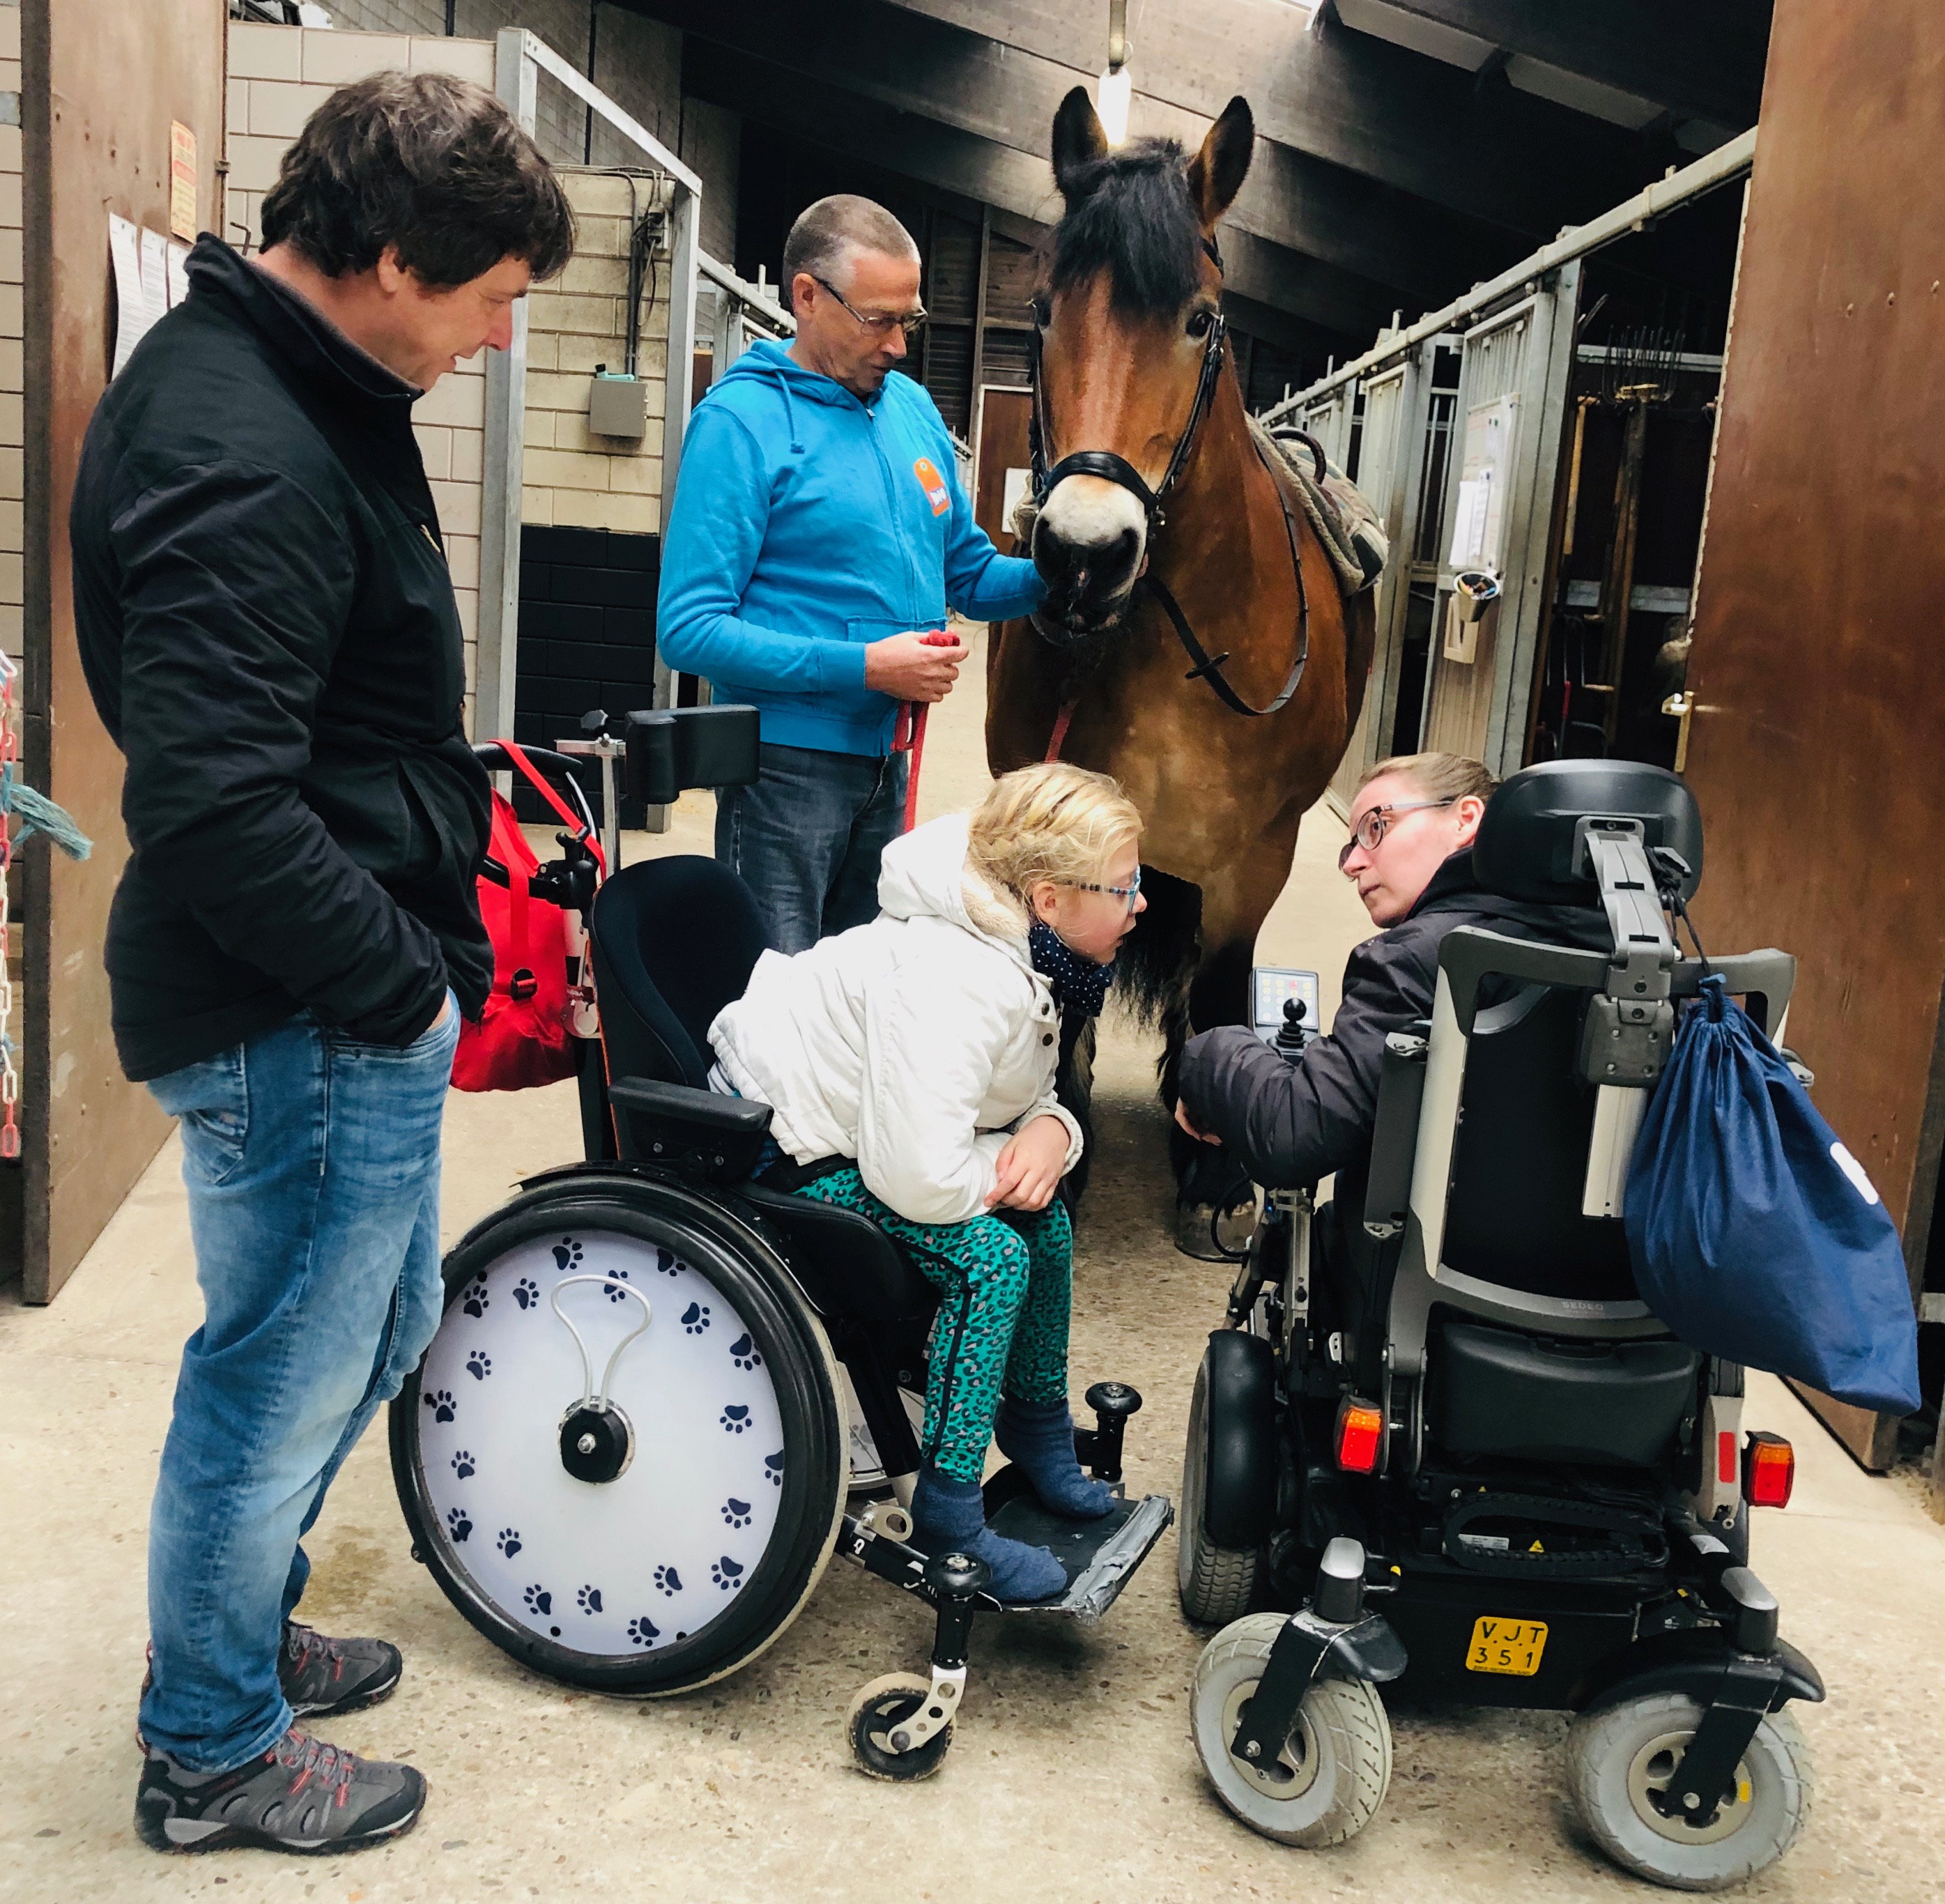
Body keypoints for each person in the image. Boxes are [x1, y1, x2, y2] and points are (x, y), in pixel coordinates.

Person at [70, 73, 572, 1857]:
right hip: (296, 1007)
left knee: (363, 1340)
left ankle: (237, 1635)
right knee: (279, 1372)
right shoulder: (241, 439)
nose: (503, 339)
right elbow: (212, 805)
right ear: (390, 258)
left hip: (332, 992)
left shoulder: (307, 379)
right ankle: (211, 1744)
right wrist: (403, 995)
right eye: (492, 298)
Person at [706, 763, 1146, 1599]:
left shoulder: (1020, 944)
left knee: (1045, 1219)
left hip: (873, 1137)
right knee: (992, 1259)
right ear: (1049, 897)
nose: (1140, 902)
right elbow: (921, 1180)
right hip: (784, 1148)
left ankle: (1037, 1428)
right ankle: (949, 1512)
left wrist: (1053, 1132)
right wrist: (1018, 1161)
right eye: (1123, 887)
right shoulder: (958, 977)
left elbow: (1014, 1093)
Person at [659, 194, 1047, 954]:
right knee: (776, 995)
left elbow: (970, 575)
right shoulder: (741, 422)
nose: (898, 345)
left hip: (888, 766)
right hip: (782, 775)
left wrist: (1059, 574)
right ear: (807, 297)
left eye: (910, 320)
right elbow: (689, 630)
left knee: (859, 994)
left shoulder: (912, 410)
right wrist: (867, 667)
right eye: (878, 320)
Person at [1173, 753, 1609, 1188]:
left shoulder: (1411, 960)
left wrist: (1208, 1056)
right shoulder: (1619, 950)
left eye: (1376, 828)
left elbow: (1293, 1135)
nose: (1351, 865)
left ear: (1465, 819)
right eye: (1351, 847)